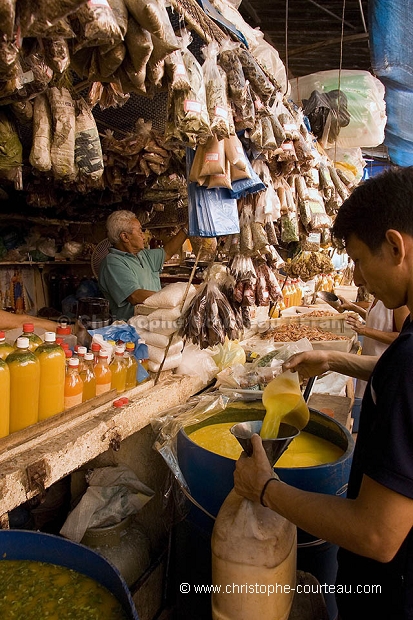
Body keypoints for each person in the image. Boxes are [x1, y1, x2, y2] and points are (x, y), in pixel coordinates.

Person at [234, 167, 413, 619]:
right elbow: (395, 373)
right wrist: (334, 359)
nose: (357, 275)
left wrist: (267, 489)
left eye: (357, 259)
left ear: (395, 247)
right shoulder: (408, 347)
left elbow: (376, 534)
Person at [98, 210, 188, 321]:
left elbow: (168, 252)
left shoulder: (143, 255)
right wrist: (171, 298)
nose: (144, 236)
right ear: (125, 237)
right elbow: (135, 296)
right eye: (140, 231)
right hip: (133, 329)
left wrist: (186, 228)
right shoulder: (112, 263)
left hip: (155, 323)